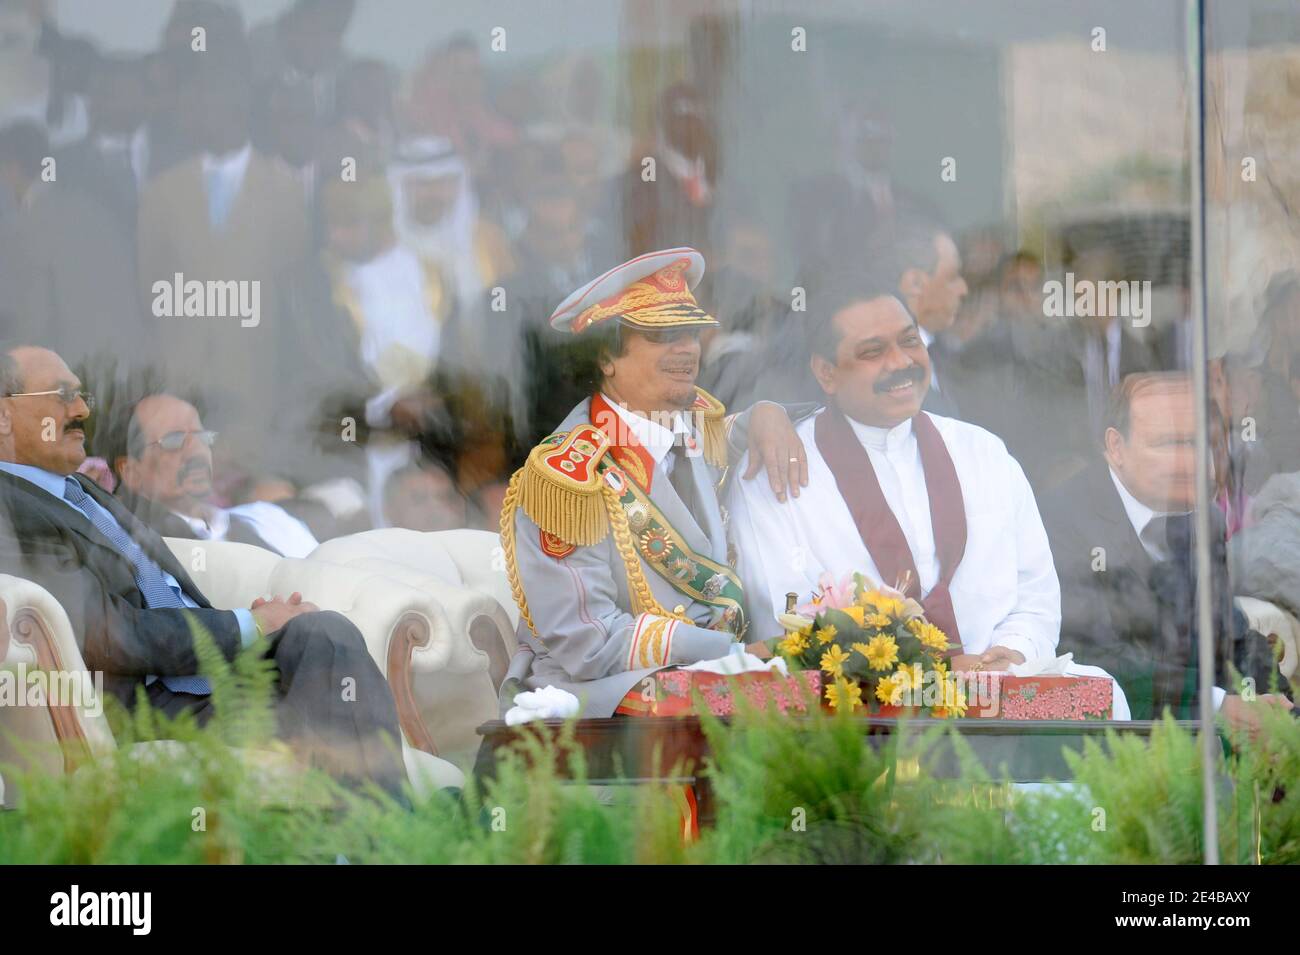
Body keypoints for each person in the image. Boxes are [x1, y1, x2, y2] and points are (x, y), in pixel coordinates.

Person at [0, 343, 407, 797]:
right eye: (60, 395)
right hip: (155, 705)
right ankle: (388, 837)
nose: (79, 409)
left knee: (323, 633)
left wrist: (261, 625)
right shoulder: (9, 505)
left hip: (212, 678)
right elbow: (107, 634)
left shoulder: (78, 492)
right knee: (334, 711)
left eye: (81, 396)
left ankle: (374, 835)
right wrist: (250, 624)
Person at [499, 248, 808, 717]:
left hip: (709, 682)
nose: (686, 348)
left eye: (690, 332)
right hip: (598, 705)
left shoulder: (691, 423)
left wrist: (769, 412)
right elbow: (589, 643)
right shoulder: (565, 479)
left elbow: (731, 432)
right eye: (663, 334)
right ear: (606, 356)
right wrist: (729, 655)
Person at [726, 273, 1062, 677]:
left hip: (998, 704)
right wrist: (917, 672)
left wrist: (1009, 653)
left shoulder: (983, 453)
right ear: (826, 373)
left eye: (910, 341)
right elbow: (785, 620)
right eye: (873, 352)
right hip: (852, 719)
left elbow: (1035, 594)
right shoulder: (776, 471)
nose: (901, 362)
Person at [1041, 372, 1292, 728]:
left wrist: (1280, 710)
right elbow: (1092, 659)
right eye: (1168, 444)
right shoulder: (1061, 520)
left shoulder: (1204, 520)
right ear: (1116, 448)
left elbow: (1230, 638)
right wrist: (1218, 706)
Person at [110, 393, 319, 558]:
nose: (197, 450)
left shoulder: (267, 519)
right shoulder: (143, 553)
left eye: (202, 436)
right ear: (132, 473)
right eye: (174, 440)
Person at [888, 217, 969, 418]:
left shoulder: (943, 354)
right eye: (953, 276)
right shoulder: (886, 366)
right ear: (915, 283)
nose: (963, 289)